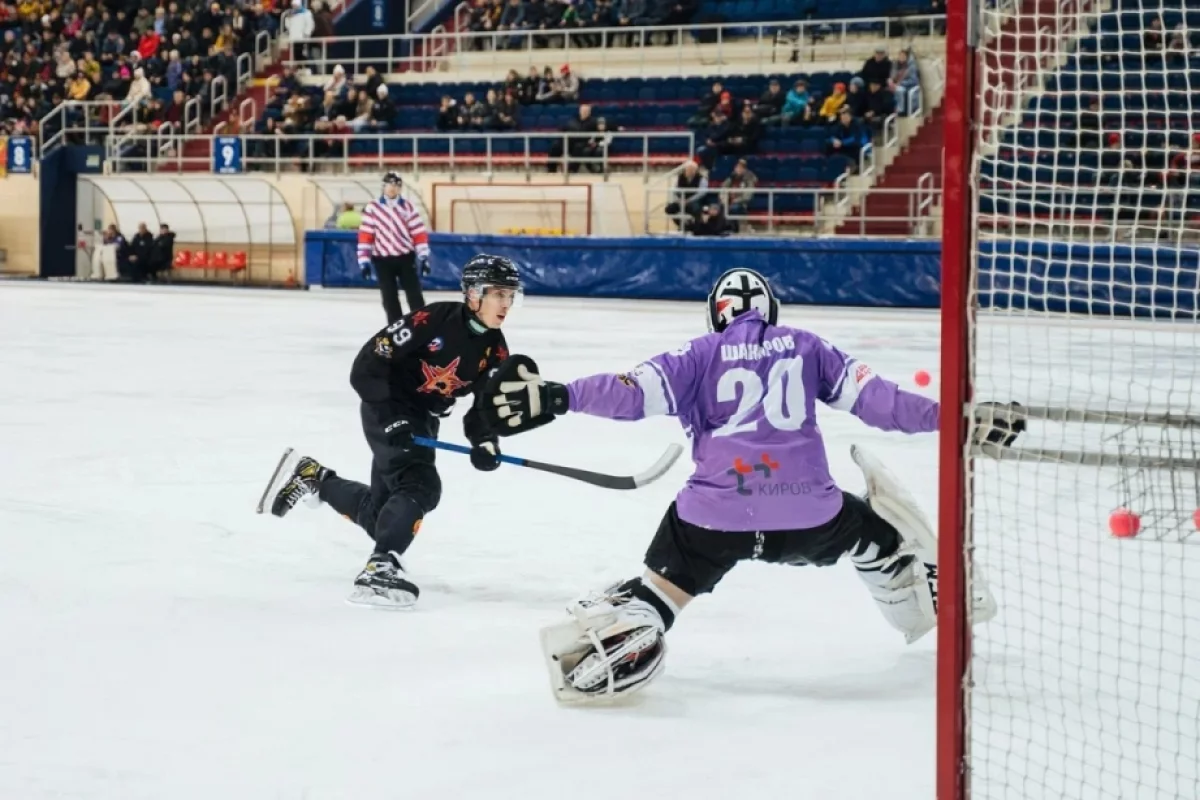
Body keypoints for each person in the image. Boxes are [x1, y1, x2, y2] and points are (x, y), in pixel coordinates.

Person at [478, 269, 1017, 701]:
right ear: (771, 311)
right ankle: (919, 588)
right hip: (810, 515)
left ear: (716, 315)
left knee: (663, 587)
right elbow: (883, 403)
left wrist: (560, 395)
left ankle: (641, 623)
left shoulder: (697, 354)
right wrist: (957, 418)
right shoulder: (808, 346)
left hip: (715, 518)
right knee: (876, 533)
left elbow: (630, 392)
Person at [264, 255, 521, 609]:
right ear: (474, 294)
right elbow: (368, 364)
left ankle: (315, 478)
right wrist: (390, 416)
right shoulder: (432, 320)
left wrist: (485, 441)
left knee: (381, 516)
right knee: (420, 486)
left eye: (511, 295)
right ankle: (380, 567)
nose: (506, 304)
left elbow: (482, 408)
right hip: (387, 405)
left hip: (423, 418)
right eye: (499, 294)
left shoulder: (497, 350)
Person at [357, 171, 432, 324]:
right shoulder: (373, 208)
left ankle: (422, 326)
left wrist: (424, 256)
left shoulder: (408, 207)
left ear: (400, 188)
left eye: (396, 185)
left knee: (414, 295)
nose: (392, 188)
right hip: (382, 259)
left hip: (405, 257)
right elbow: (366, 235)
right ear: (383, 187)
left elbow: (418, 233)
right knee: (389, 297)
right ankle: (395, 326)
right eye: (389, 185)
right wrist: (363, 260)